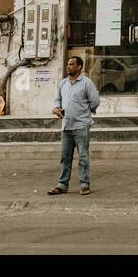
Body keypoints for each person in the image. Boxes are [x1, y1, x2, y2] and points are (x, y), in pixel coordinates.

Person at [48, 55, 100, 196]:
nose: (68, 66)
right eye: (68, 64)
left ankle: (84, 185)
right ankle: (62, 185)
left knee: (83, 157)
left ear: (79, 67)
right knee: (65, 158)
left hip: (82, 126)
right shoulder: (63, 83)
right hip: (66, 126)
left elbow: (95, 101)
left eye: (71, 64)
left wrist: (85, 112)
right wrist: (56, 109)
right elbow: (57, 100)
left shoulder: (86, 83)